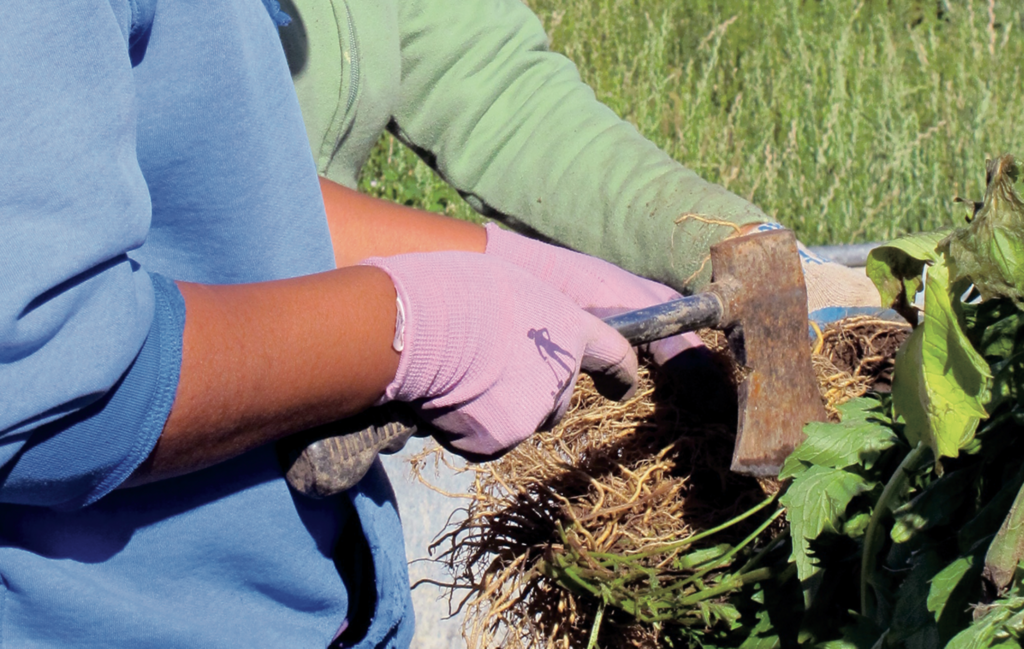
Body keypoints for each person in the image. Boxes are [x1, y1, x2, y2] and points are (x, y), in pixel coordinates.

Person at [0, 3, 877, 649]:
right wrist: (413, 331)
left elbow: (218, 196)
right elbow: (52, 370)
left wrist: (530, 261)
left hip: (307, 582)